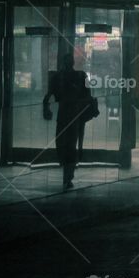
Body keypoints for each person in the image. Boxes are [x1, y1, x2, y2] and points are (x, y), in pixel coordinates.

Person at [43, 53, 93, 189]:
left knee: (64, 144)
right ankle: (68, 174)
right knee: (71, 144)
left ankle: (67, 172)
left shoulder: (58, 77)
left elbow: (48, 96)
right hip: (75, 114)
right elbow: (89, 95)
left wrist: (46, 108)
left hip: (65, 114)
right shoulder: (81, 76)